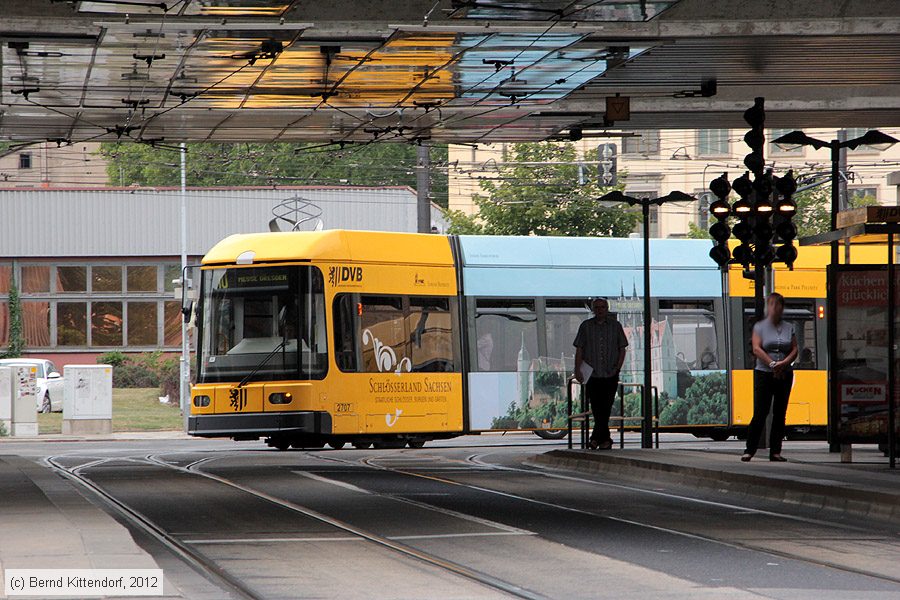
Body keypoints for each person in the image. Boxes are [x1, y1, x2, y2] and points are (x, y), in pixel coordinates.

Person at [742, 292, 798, 462]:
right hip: (764, 373)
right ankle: (749, 450)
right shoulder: (759, 327)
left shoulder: (790, 327)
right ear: (768, 307)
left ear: (782, 307)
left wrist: (784, 364)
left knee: (780, 413)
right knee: (760, 412)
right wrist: (773, 364)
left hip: (784, 374)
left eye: (778, 304)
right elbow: (757, 349)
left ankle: (775, 451)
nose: (774, 307)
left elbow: (794, 349)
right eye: (771, 304)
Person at [574, 297, 628, 450]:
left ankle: (596, 439)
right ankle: (604, 440)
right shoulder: (586, 326)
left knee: (606, 407)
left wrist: (617, 368)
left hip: (610, 373)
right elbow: (579, 349)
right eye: (597, 307)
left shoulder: (615, 326)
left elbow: (622, 348)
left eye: (602, 307)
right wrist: (577, 369)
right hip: (592, 374)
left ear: (607, 308)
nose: (600, 310)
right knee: (597, 408)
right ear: (593, 310)